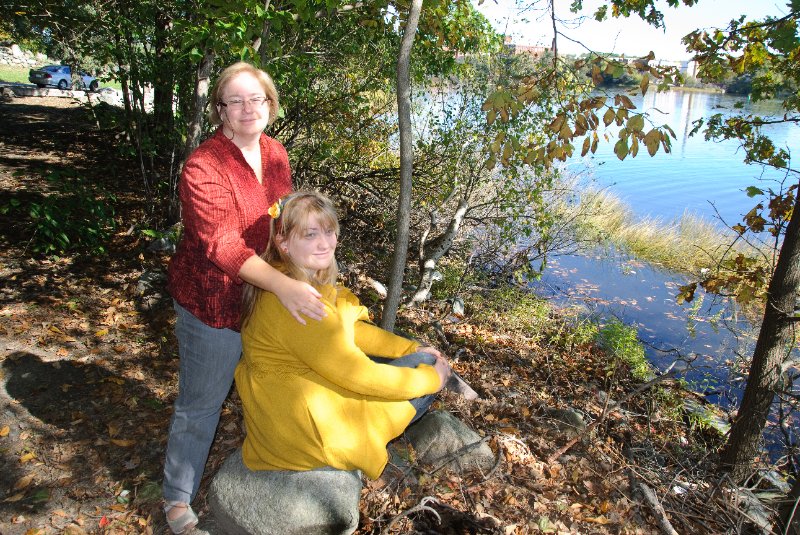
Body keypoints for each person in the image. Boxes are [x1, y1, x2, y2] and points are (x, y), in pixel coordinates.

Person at [163, 63, 326, 535]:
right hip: (211, 305)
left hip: (266, 295)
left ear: (271, 104)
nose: (247, 108)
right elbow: (223, 245)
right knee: (201, 405)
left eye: (256, 98)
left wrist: (305, 262)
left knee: (274, 379)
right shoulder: (203, 166)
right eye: (236, 100)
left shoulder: (276, 152)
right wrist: (284, 284)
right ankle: (176, 499)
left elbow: (284, 221)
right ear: (221, 110)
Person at [235, 191, 453, 480]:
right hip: (302, 434)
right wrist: (432, 378)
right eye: (310, 234)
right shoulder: (298, 303)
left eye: (328, 231)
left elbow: (351, 329)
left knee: (419, 357)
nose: (324, 243)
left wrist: (410, 347)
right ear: (283, 243)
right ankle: (352, 455)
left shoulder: (287, 280)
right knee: (424, 374)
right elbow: (358, 374)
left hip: (287, 410)